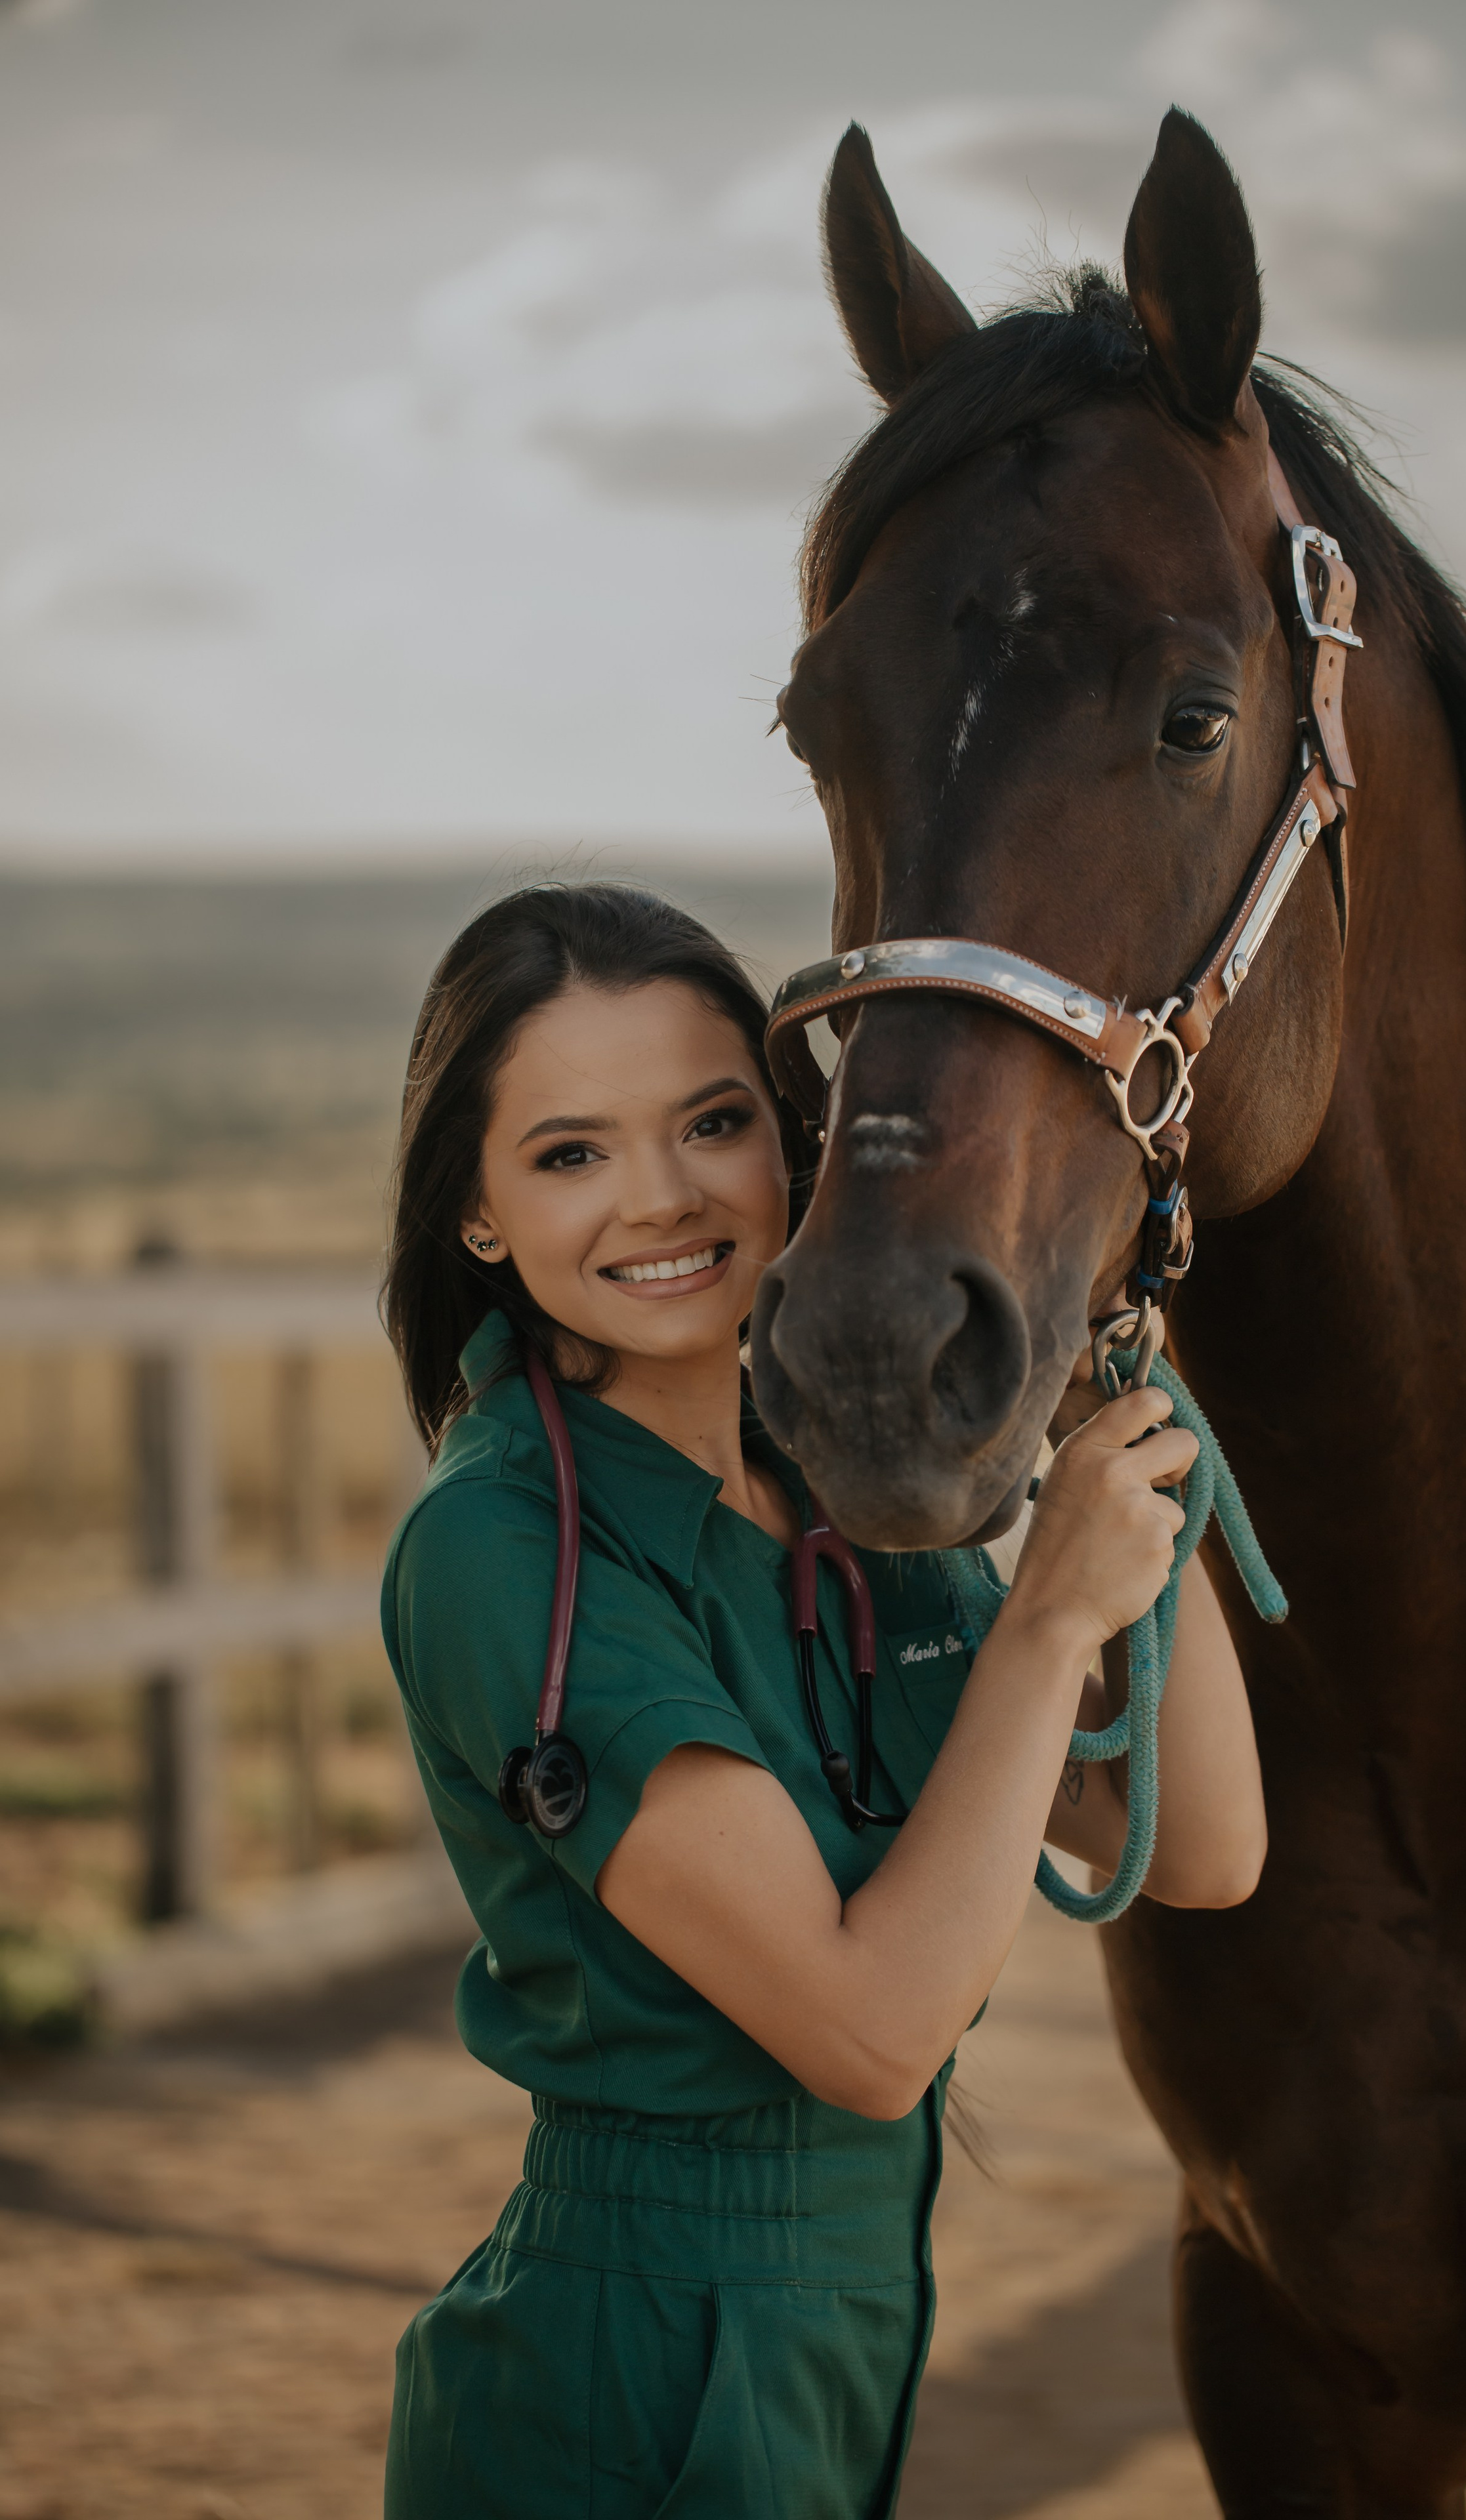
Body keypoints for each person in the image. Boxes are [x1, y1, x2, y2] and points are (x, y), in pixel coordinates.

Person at [379, 880, 1266, 2520]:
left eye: (713, 1122)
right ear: (479, 1214)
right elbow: (867, 2035)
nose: (660, 1199)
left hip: (836, 2336)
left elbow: (1197, 1840)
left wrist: (1110, 1379)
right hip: (623, 2371)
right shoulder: (501, 1551)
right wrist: (1044, 1609)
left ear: (793, 1140)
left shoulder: (827, 1486)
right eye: (569, 1152)